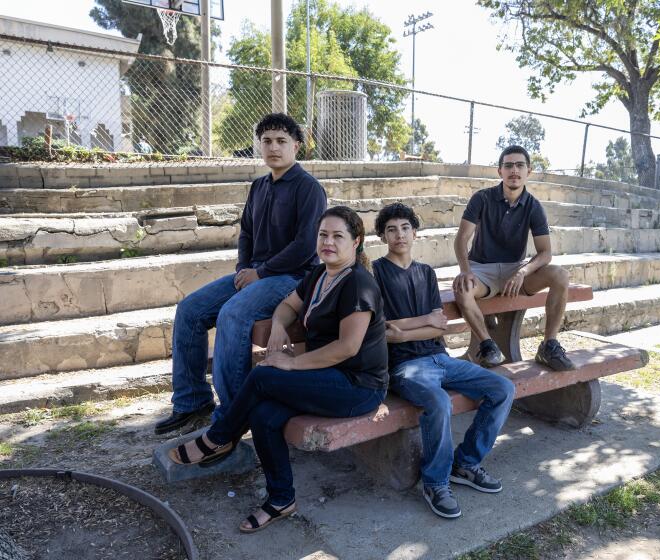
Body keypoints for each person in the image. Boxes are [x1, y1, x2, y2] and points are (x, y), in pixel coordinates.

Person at [168, 206, 388, 532]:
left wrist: (293, 363)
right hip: (323, 376)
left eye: (337, 236)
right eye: (323, 235)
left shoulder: (357, 283)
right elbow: (287, 305)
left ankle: (219, 437)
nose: (328, 242)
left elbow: (347, 348)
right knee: (263, 415)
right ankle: (281, 499)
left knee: (263, 376)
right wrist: (279, 327)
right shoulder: (319, 274)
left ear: (356, 242)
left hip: (357, 386)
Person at [154, 113, 327, 435]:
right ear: (259, 146)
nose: (273, 147)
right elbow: (245, 233)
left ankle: (233, 416)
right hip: (255, 275)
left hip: (291, 278)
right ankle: (192, 403)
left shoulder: (309, 188)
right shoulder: (259, 186)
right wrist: (243, 269)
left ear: (296, 147)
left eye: (281, 141)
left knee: (233, 314)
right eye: (266, 141)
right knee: (190, 310)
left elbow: (306, 246)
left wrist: (261, 273)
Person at [372, 203, 515, 519]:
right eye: (391, 229)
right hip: (403, 367)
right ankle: (435, 482)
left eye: (405, 227)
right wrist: (422, 322)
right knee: (438, 402)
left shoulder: (426, 272)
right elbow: (384, 332)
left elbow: (441, 324)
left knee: (502, 388)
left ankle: (465, 463)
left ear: (415, 232)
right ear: (383, 236)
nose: (399, 234)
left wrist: (408, 327)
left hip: (439, 357)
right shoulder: (375, 274)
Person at [453, 145, 575, 371]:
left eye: (520, 165)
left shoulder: (534, 206)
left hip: (516, 270)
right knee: (462, 288)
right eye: (508, 165)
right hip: (481, 269)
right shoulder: (481, 198)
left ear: (529, 171)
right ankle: (488, 345)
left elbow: (545, 252)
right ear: (500, 171)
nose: (514, 170)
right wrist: (465, 270)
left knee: (560, 275)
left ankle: (549, 345)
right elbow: (461, 239)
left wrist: (523, 271)